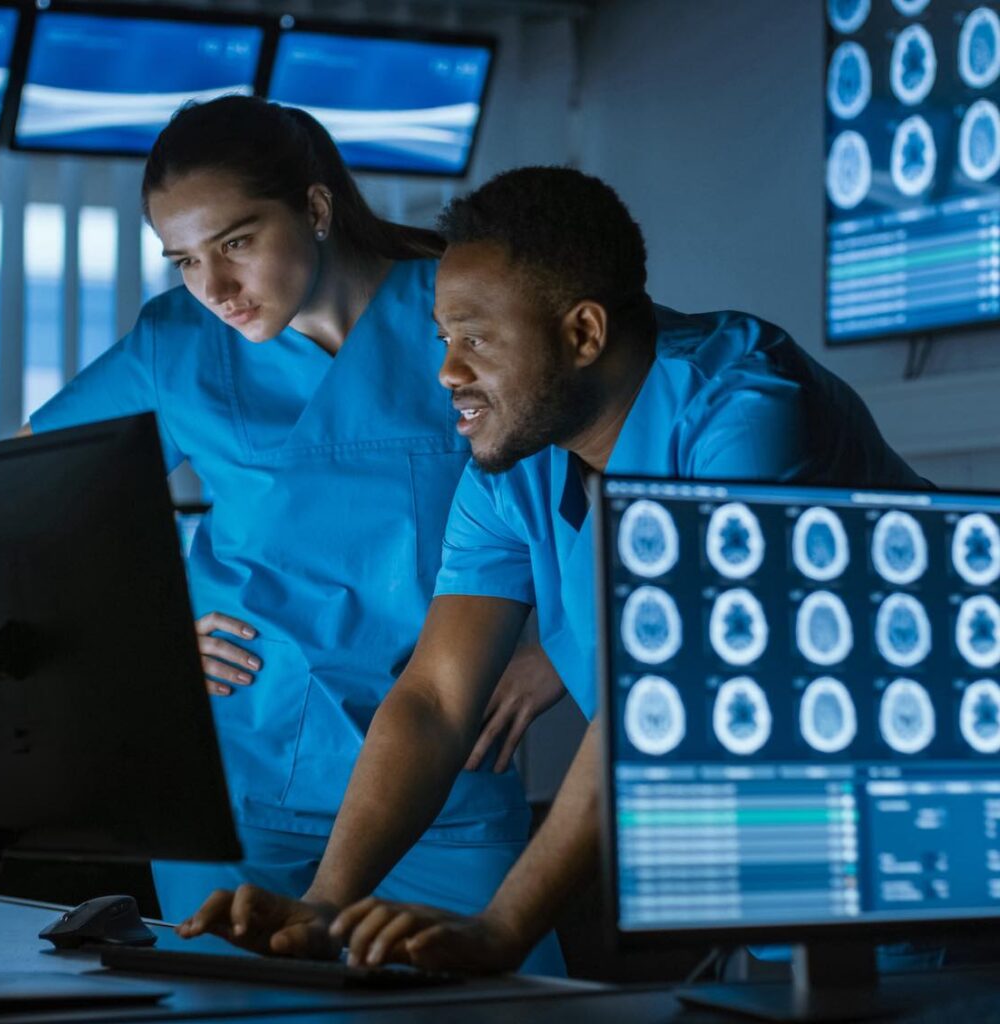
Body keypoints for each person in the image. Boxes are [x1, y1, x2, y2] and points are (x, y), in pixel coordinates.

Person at [176, 165, 926, 973]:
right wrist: (327, 905)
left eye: (475, 338)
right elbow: (435, 697)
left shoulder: (744, 412)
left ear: (582, 334)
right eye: (442, 338)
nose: (447, 372)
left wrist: (502, 929)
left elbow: (665, 699)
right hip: (766, 859)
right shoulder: (515, 464)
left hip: (921, 846)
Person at [24, 100, 566, 975]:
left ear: (314, 209)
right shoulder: (178, 345)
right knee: (233, 1006)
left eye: (236, 243)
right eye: (184, 260)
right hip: (239, 765)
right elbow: (25, 502)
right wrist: (139, 638)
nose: (214, 289)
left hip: (446, 774)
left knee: (500, 1000)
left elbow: (618, 465)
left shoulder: (462, 305)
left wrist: (562, 653)